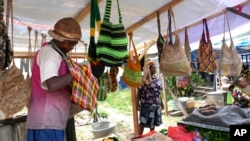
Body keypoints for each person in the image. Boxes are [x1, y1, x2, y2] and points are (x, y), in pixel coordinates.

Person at [26, 17, 82, 141]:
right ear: (59, 39)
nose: (72, 47)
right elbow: (52, 84)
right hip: (46, 120)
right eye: (70, 42)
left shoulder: (58, 53)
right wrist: (77, 72)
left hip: (51, 119)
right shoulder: (50, 53)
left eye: (75, 43)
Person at [137, 61, 163, 135]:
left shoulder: (155, 79)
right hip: (146, 105)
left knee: (153, 122)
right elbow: (139, 93)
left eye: (155, 68)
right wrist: (136, 104)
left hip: (156, 104)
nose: (156, 69)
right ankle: (138, 137)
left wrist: (161, 103)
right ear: (149, 69)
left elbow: (157, 92)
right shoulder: (143, 80)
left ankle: (151, 136)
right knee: (143, 122)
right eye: (154, 68)